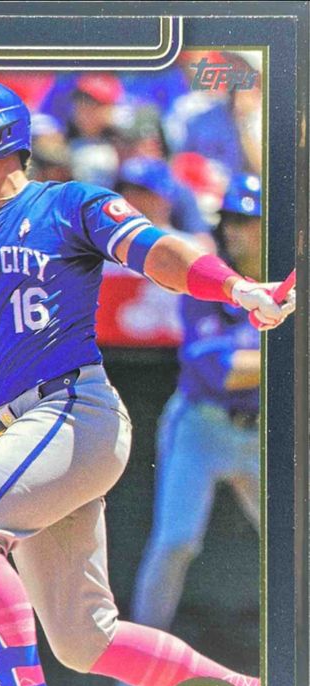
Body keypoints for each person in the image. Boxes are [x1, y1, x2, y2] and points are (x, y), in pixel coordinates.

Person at [0, 80, 294, 686]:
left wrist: (236, 289)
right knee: (85, 641)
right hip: (24, 434)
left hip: (73, 411)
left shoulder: (67, 203)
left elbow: (157, 252)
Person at [124, 174, 264, 656]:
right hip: (202, 427)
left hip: (263, 433)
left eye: (247, 220)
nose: (234, 230)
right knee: (175, 543)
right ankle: (138, 671)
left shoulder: (288, 282)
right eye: (230, 220)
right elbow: (216, 370)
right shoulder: (209, 279)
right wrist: (289, 357)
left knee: (292, 545)